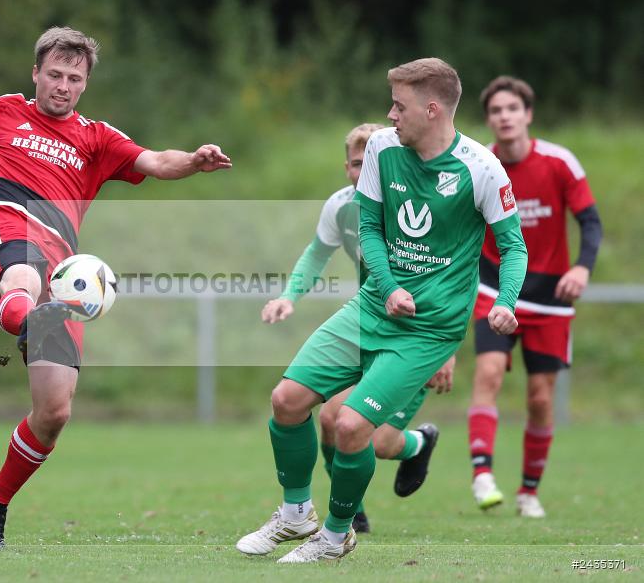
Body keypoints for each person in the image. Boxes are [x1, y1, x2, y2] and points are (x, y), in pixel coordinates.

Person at [0, 27, 231, 549]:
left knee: (54, 413)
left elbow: (154, 160)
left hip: (63, 275)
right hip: (9, 234)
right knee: (22, 280)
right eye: (54, 74)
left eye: (73, 78)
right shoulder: (6, 110)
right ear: (35, 73)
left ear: (85, 84)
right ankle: (28, 318)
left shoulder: (98, 138)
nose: (62, 85)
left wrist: (193, 160)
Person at [236, 58, 527, 563]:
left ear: (432, 109)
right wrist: (389, 287)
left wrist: (503, 303)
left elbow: (514, 247)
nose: (390, 114)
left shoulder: (482, 169)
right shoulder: (381, 149)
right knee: (286, 400)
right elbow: (368, 227)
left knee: (350, 428)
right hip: (372, 307)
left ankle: (334, 536)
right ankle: (295, 513)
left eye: (400, 105)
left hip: (428, 331)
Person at [260, 122, 455, 535]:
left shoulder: (418, 203)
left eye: (370, 161)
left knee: (378, 440)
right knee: (332, 420)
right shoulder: (341, 205)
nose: (361, 169)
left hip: (418, 335)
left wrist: (446, 350)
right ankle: (350, 513)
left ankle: (420, 443)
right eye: (354, 163)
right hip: (370, 325)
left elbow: (452, 273)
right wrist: (288, 296)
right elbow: (316, 254)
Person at [467, 76, 602, 518]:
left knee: (540, 398)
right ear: (488, 119)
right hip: (493, 285)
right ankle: (482, 474)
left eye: (512, 108)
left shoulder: (559, 162)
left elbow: (590, 221)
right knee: (488, 373)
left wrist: (582, 266)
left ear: (528, 115)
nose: (504, 116)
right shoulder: (480, 163)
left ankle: (528, 492)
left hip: (548, 294)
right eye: (496, 111)